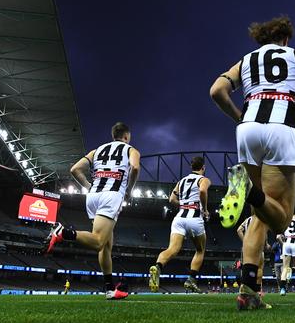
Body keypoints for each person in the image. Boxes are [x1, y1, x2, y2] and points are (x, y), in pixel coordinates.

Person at [210, 16, 295, 310]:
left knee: (258, 217)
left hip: (247, 129)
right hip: (282, 127)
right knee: (283, 219)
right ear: (285, 38)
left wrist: (240, 117)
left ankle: (249, 291)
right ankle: (248, 190)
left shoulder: (246, 60)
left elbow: (216, 91)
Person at [46, 122, 140, 300]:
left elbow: (75, 169)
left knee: (106, 246)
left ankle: (110, 289)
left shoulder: (96, 151)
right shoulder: (131, 150)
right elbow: (135, 168)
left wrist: (89, 186)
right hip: (111, 196)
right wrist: (128, 191)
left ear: (114, 135)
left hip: (93, 196)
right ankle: (62, 232)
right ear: (126, 136)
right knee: (98, 242)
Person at [149, 156, 211, 293]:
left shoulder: (181, 181)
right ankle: (191, 280)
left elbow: (172, 199)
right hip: (195, 218)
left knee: (173, 249)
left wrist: (184, 205)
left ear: (191, 167)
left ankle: (158, 267)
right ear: (203, 168)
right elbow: (202, 191)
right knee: (200, 250)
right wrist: (204, 210)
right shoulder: (204, 180)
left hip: (179, 218)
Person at [237, 216, 271, 291]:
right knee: (259, 268)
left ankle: (243, 290)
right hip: (257, 246)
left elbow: (239, 230)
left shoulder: (247, 219)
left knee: (246, 269)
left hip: (247, 248)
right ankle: (257, 290)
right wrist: (266, 244)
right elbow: (264, 233)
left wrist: (245, 241)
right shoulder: (261, 218)